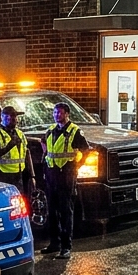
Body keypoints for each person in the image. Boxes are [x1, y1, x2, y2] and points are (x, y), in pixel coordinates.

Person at [41, 102, 89, 259]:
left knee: (65, 212)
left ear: (67, 114)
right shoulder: (50, 131)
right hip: (51, 175)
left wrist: (76, 165)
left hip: (66, 176)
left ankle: (66, 247)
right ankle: (54, 243)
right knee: (52, 211)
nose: (57, 115)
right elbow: (43, 143)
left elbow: (86, 150)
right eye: (55, 113)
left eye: (60, 113)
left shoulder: (74, 131)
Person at [0, 105, 36, 201]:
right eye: (11, 116)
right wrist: (10, 144)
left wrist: (31, 176)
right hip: (1, 176)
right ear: (3, 117)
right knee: (3, 201)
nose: (14, 119)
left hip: (18, 176)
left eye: (15, 116)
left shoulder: (20, 134)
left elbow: (26, 154)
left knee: (18, 204)